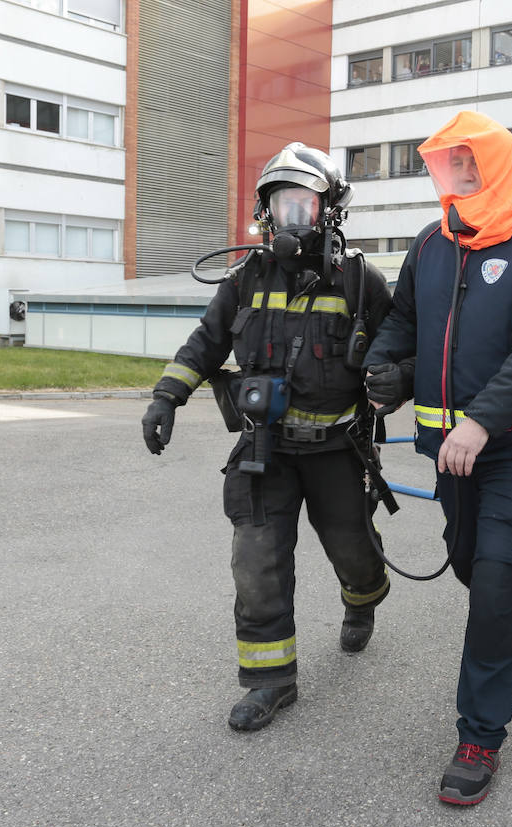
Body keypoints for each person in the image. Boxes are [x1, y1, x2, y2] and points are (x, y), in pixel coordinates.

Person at [363, 111, 512, 806]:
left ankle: (479, 738)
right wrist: (384, 370)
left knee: (493, 577)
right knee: (468, 562)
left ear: (493, 166)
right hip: (447, 454)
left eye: (467, 164)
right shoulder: (431, 244)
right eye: (447, 165)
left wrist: (484, 422)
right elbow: (404, 321)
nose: (456, 177)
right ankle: (504, 616)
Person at [140, 142, 394, 731]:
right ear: (266, 212)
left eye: (304, 203)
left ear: (329, 209)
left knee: (352, 551)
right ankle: (269, 680)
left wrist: (395, 380)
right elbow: (204, 343)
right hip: (265, 449)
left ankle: (363, 597)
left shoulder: (361, 281)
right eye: (282, 204)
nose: (292, 217)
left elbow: (398, 347)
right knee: (256, 563)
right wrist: (166, 396)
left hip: (337, 448)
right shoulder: (246, 277)